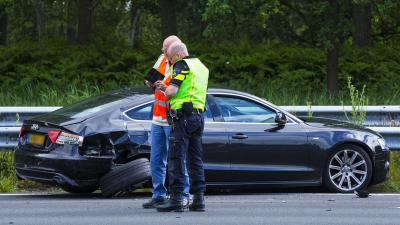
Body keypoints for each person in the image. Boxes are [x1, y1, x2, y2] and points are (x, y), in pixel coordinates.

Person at [155, 42, 209, 212]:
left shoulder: (182, 65)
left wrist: (165, 90)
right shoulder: (201, 66)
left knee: (176, 158)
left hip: (183, 118)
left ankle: (177, 199)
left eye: (170, 58)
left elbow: (172, 92)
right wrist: (168, 87)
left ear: (178, 55)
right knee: (195, 159)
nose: (170, 62)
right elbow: (188, 89)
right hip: (198, 117)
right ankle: (199, 199)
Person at [142, 36, 190, 209]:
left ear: (174, 51)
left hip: (174, 119)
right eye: (163, 50)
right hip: (158, 118)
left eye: (165, 50)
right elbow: (150, 80)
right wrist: (150, 82)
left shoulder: (183, 65)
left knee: (178, 159)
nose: (163, 53)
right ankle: (159, 195)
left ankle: (183, 195)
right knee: (156, 159)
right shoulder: (162, 59)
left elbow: (176, 90)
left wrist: (164, 86)